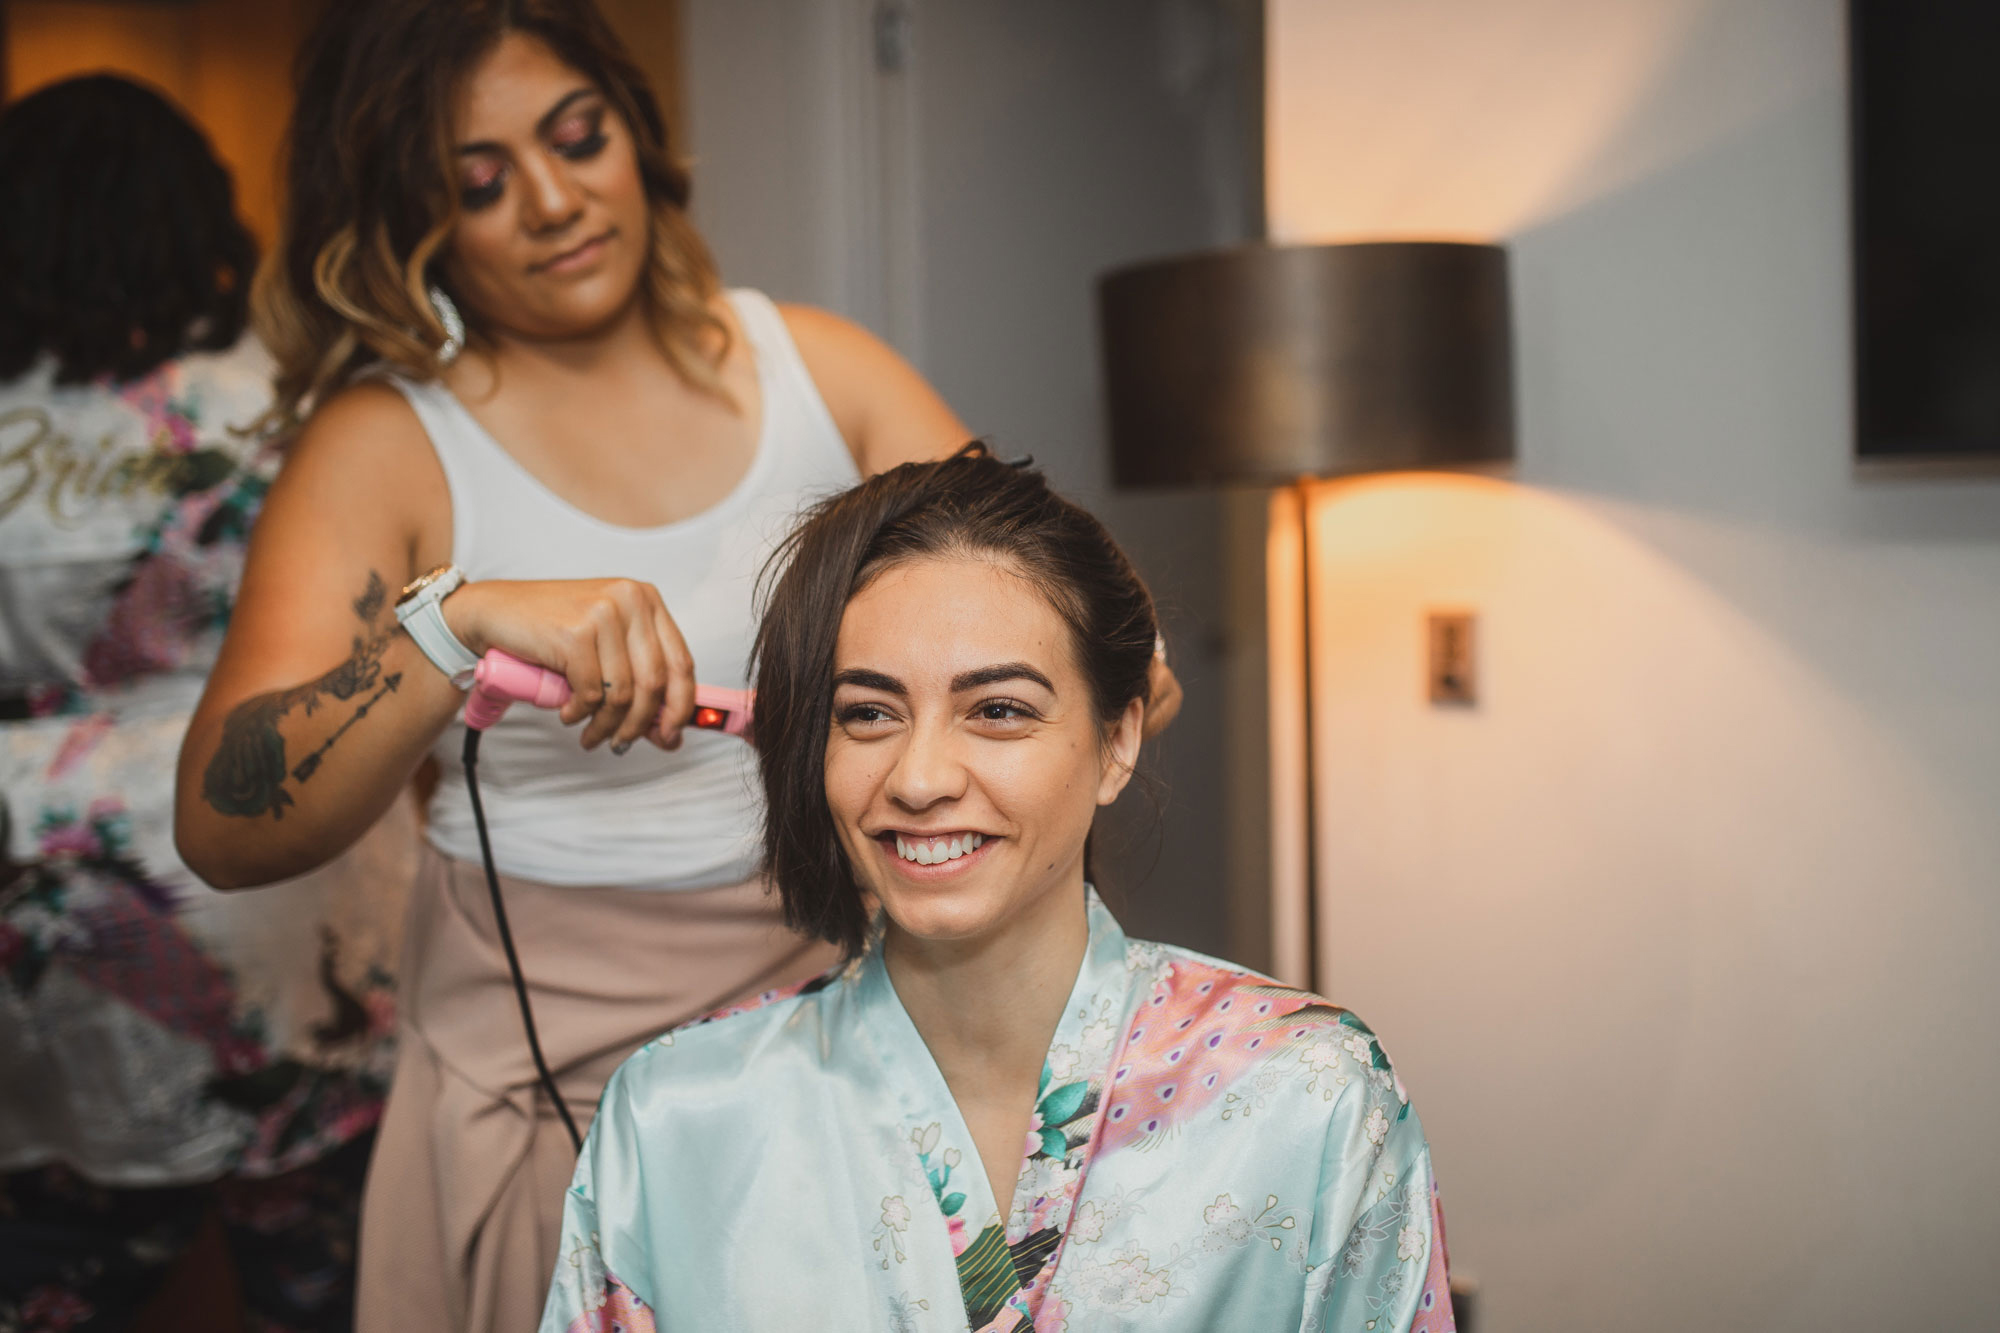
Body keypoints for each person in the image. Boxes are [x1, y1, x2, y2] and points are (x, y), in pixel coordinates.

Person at [173, 1, 1181, 1327]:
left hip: (850, 1044)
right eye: (480, 183)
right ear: (412, 222)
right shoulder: (383, 447)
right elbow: (222, 824)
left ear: (635, 136)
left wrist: (1076, 676)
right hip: (545, 1084)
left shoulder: (828, 374)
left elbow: (1115, 653)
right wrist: (455, 626)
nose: (550, 200)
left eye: (577, 136)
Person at [539, 447, 1451, 1333]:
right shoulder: (674, 1117)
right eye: (868, 714)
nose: (921, 776)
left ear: (1118, 738)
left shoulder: (1308, 1094)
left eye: (999, 710)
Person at [0, 76, 414, 1331]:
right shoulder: (293, 411)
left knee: (57, 1259)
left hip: (37, 880)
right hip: (272, 865)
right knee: (324, 1277)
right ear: (206, 223)